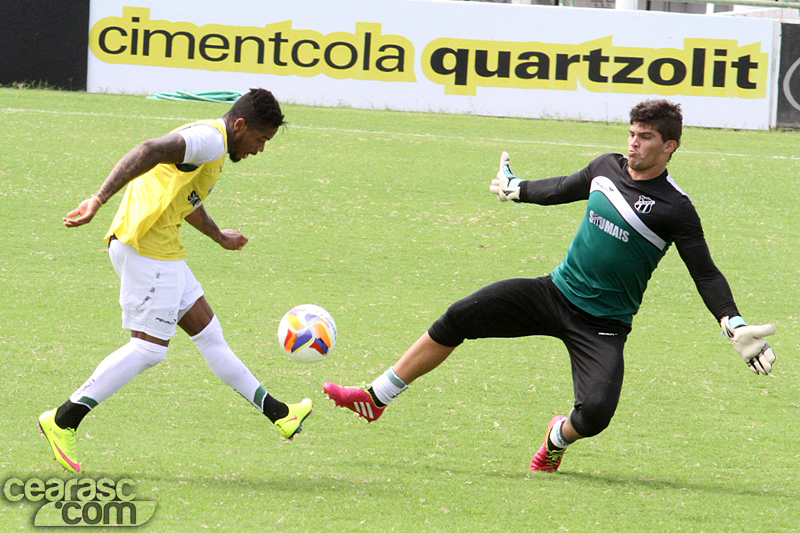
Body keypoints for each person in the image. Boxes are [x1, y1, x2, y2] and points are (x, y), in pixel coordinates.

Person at [323, 99, 777, 472]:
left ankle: (557, 438)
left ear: (670, 146)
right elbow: (563, 187)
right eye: (631, 134)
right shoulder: (607, 167)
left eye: (645, 138)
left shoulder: (676, 208)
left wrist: (731, 322)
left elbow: (706, 272)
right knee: (460, 315)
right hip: (552, 294)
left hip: (603, 325)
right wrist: (516, 187)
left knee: (596, 414)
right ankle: (376, 396)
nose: (633, 143)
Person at [38, 88, 312, 473]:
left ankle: (280, 414)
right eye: (261, 139)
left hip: (163, 250)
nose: (260, 149)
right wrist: (98, 200)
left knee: (209, 334)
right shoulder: (207, 140)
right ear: (239, 126)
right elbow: (147, 149)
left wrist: (219, 237)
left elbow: (187, 200)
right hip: (146, 251)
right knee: (149, 350)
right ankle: (62, 419)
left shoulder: (212, 147)